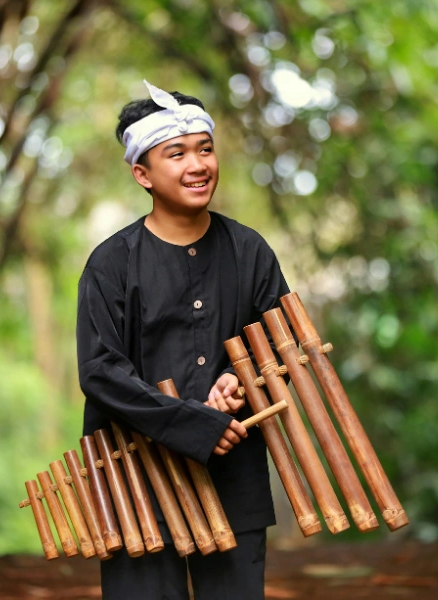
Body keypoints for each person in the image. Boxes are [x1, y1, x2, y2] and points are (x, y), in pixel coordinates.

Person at [76, 80, 290, 600]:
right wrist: (192, 422)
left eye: (205, 149)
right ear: (142, 174)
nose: (198, 164)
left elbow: (285, 346)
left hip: (231, 479)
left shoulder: (250, 251)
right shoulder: (111, 264)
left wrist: (238, 382)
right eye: (177, 154)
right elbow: (101, 373)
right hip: (136, 486)